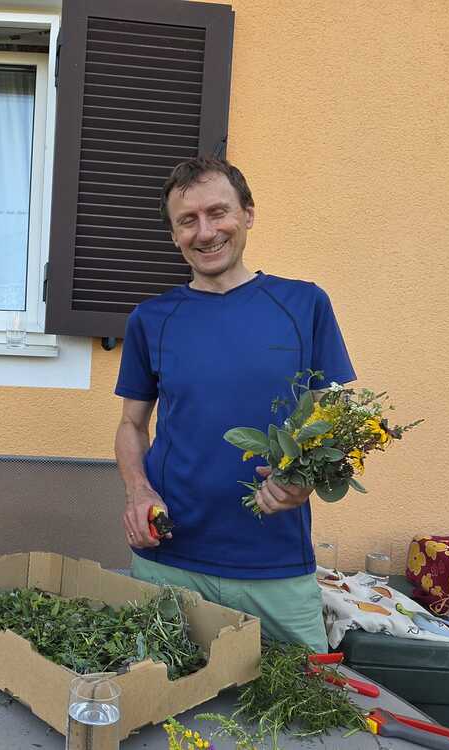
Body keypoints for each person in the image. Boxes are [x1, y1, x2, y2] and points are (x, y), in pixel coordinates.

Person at [114, 156, 355, 653]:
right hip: (168, 559)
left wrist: (305, 479)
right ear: (174, 235)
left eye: (217, 212)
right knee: (155, 692)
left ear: (248, 213)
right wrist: (138, 491)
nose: (205, 232)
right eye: (187, 220)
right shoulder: (151, 319)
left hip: (275, 563)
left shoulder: (304, 305)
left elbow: (335, 416)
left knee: (308, 693)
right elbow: (131, 426)